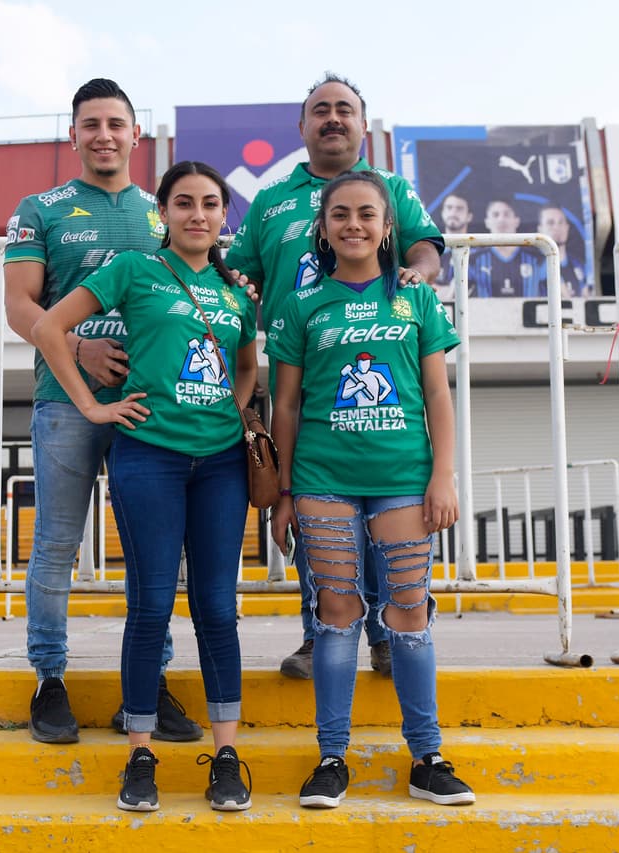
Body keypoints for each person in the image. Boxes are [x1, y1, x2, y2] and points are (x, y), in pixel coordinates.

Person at [35, 161, 258, 813]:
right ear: (161, 212)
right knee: (151, 603)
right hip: (148, 457)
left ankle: (224, 756)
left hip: (220, 464)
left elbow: (246, 367)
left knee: (218, 607)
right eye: (183, 202)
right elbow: (52, 327)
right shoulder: (134, 270)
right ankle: (140, 756)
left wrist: (232, 416)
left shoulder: (236, 290)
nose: (197, 213)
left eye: (210, 203)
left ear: (224, 216)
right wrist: (95, 407)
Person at [225, 72, 444, 681]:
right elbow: (240, 275)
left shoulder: (391, 188)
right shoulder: (270, 201)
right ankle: (319, 632)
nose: (332, 119)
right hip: (299, 367)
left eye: (344, 109)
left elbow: (426, 246)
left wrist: (417, 276)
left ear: (362, 126)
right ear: (302, 128)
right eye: (320, 110)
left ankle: (383, 636)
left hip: (375, 360)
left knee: (380, 507)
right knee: (316, 503)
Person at [266, 171, 475, 809]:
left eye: (366, 215)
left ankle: (428, 758)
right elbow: (289, 405)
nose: (353, 224)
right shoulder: (303, 305)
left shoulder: (416, 300)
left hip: (403, 483)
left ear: (388, 228)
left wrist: (444, 476)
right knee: (336, 617)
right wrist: (281, 493)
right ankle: (331, 759)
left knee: (409, 617)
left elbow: (438, 393)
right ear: (322, 229)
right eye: (340, 215)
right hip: (323, 481)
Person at [3, 78, 201, 746]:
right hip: (65, 401)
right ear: (74, 135)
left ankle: (148, 684)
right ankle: (49, 678)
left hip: (151, 408)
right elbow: (21, 307)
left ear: (135, 135)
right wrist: (81, 349)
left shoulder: (161, 211)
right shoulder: (40, 208)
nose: (104, 135)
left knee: (153, 552)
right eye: (91, 124)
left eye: (116, 123)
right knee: (57, 543)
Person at [468, 197, 543, 298]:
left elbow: (564, 297)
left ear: (517, 221)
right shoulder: (472, 260)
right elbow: (451, 297)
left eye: (506, 214)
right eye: (495, 215)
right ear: (487, 222)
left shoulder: (538, 259)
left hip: (529, 314)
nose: (501, 219)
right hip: (485, 314)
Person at [536, 204, 590, 297]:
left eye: (561, 222)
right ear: (540, 229)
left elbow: (586, 297)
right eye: (550, 223)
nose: (557, 227)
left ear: (567, 227)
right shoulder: (536, 264)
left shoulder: (578, 264)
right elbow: (565, 299)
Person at [435, 193, 472, 303]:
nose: (453, 212)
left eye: (459, 209)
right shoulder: (430, 249)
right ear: (442, 213)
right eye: (449, 207)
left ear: (469, 216)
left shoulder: (479, 253)